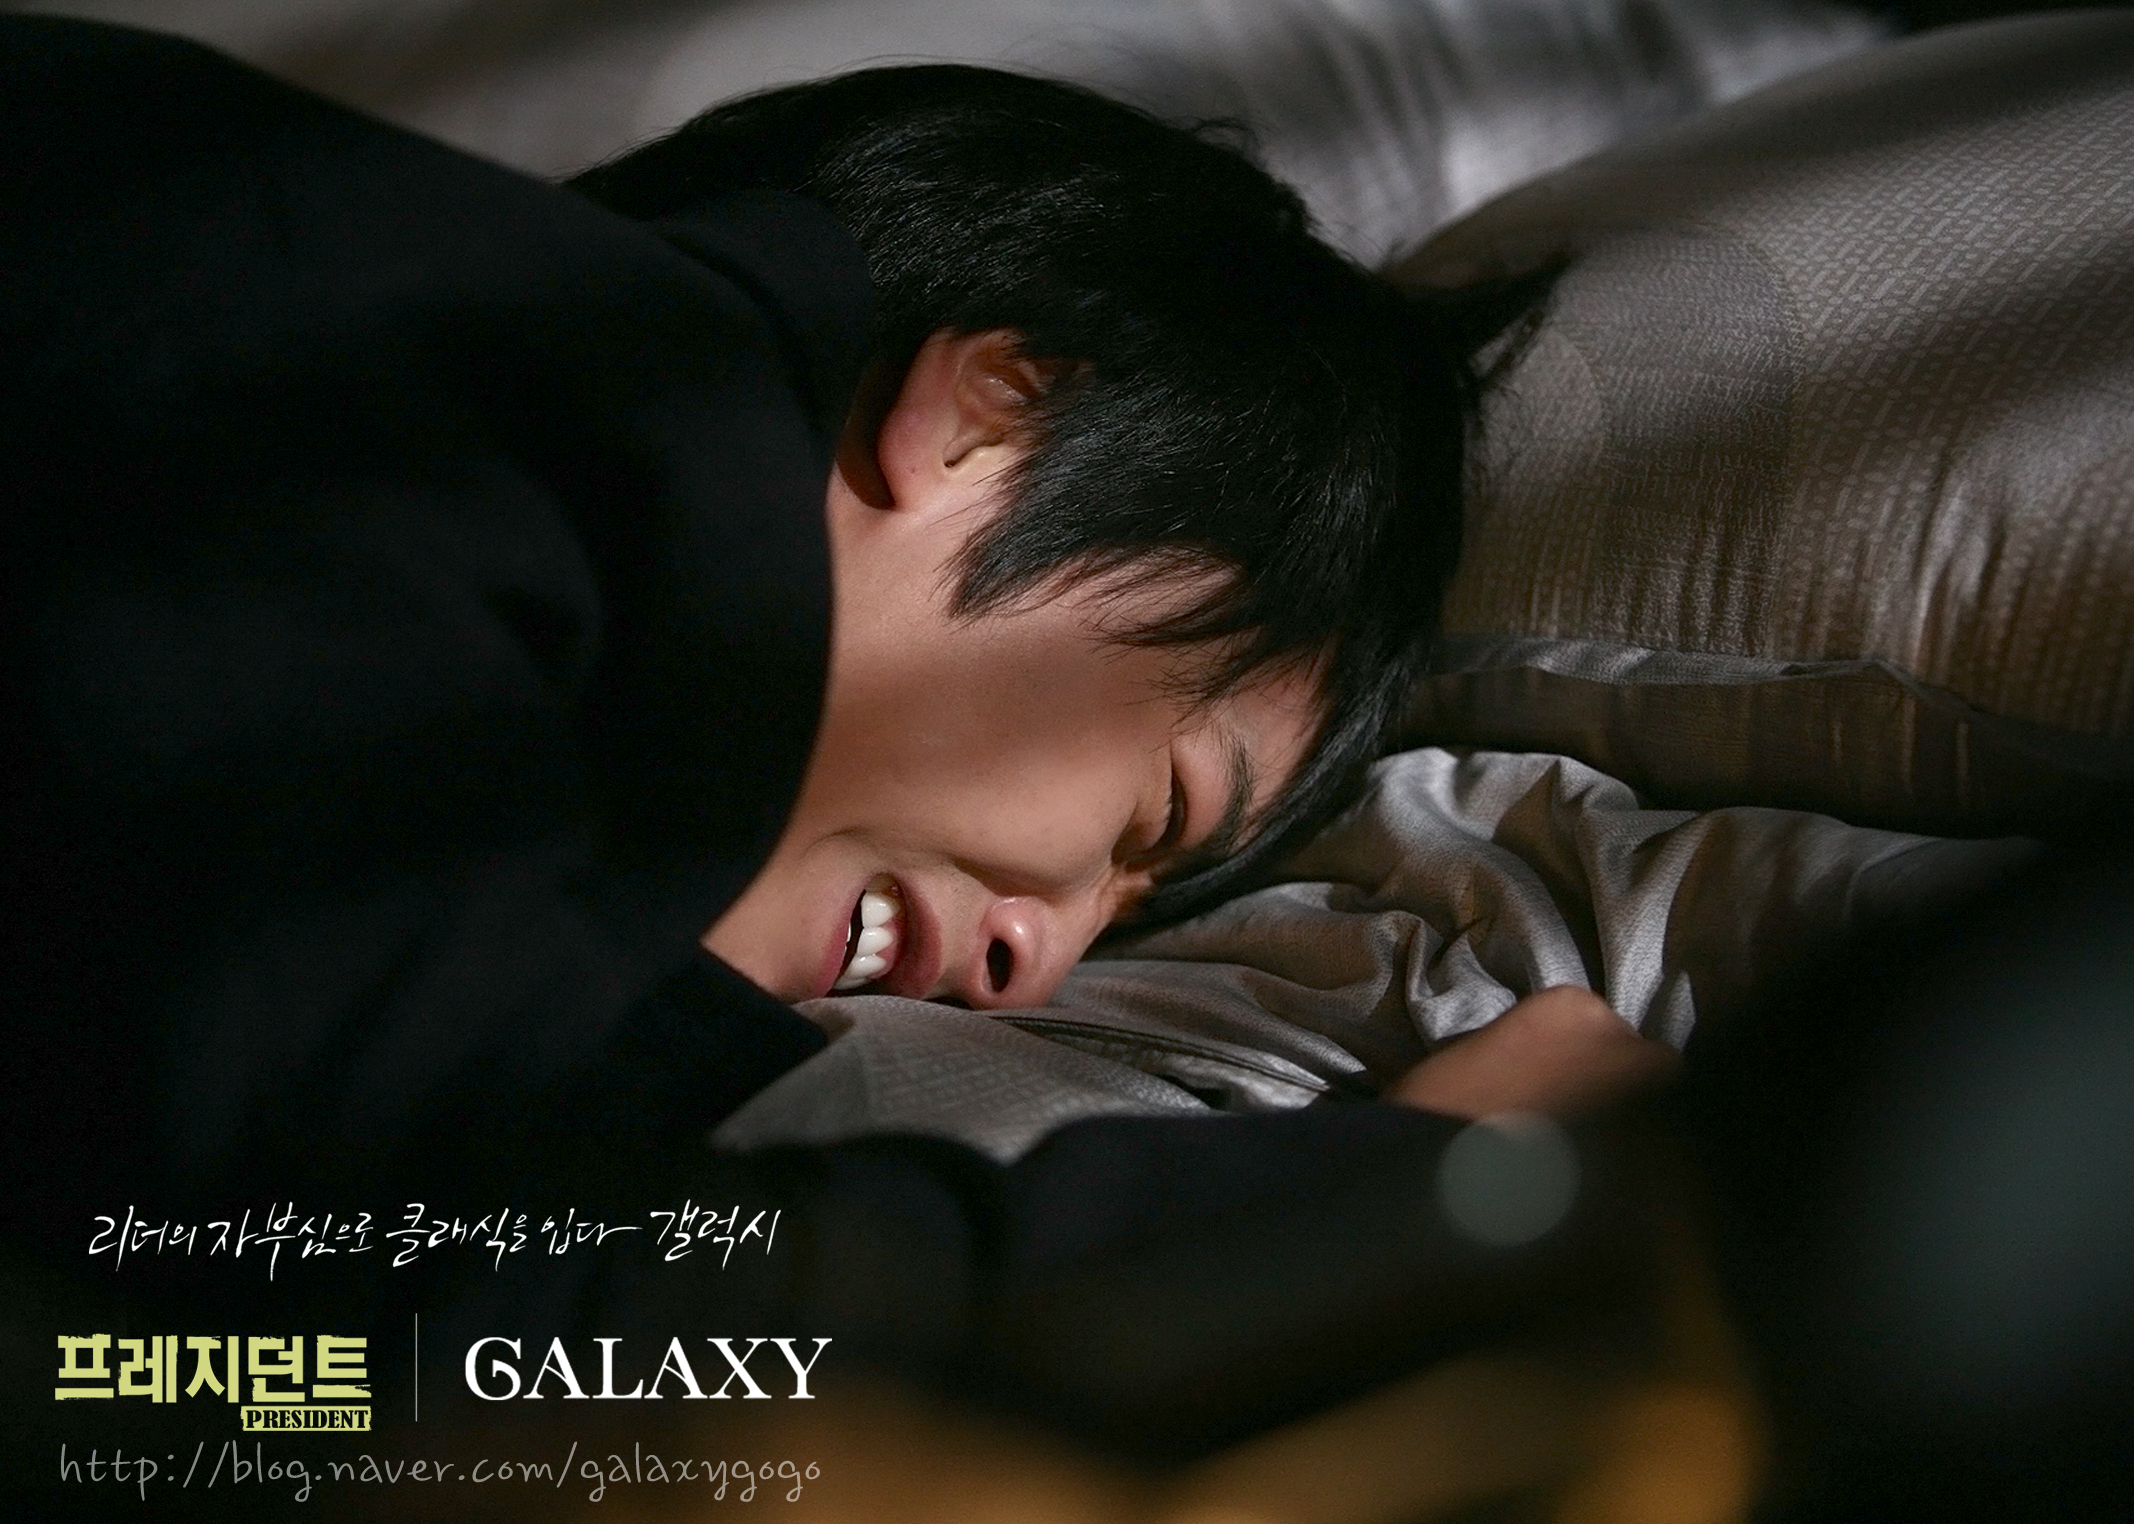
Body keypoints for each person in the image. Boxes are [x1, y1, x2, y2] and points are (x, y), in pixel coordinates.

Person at [0, 15, 1674, 1502]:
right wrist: (1411, 1201)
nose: (1037, 963)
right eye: (1159, 807)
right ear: (997, 416)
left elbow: (186, 1391)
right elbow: (453, 1358)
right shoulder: (375, 372)